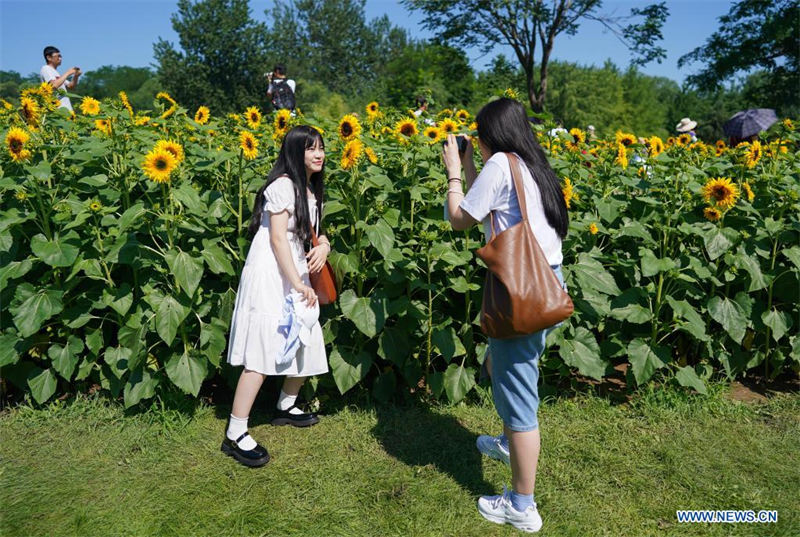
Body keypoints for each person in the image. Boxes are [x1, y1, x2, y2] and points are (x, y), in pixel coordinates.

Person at [442, 97, 568, 533]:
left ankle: (521, 505)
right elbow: (488, 204)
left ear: (490, 134)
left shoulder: (500, 165)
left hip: (520, 290)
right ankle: (506, 442)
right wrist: (474, 172)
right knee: (507, 365)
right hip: (547, 283)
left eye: (478, 135)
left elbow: (460, 218)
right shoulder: (529, 163)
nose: (475, 142)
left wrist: (454, 173)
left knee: (519, 397)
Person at [222, 125, 331, 467]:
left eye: (322, 148)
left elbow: (313, 231)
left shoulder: (311, 189)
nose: (319, 154)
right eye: (311, 149)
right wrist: (298, 283)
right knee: (264, 346)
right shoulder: (283, 185)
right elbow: (277, 239)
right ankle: (235, 431)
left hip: (294, 268)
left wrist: (325, 245)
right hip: (272, 271)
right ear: (295, 153)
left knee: (306, 333)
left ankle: (286, 403)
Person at [39, 46, 80, 111]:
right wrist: (68, 73)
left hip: (66, 111)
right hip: (58, 111)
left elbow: (70, 86)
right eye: (58, 56)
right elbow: (53, 85)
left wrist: (76, 76)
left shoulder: (56, 73)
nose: (60, 58)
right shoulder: (46, 68)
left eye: (60, 56)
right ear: (49, 57)